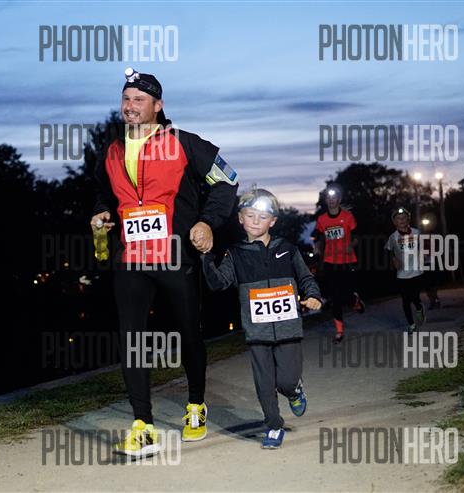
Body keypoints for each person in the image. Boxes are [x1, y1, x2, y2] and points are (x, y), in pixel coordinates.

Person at [91, 68, 238, 457]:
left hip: (175, 255)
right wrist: (101, 211)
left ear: (158, 105)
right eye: (126, 99)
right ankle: (143, 424)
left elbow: (227, 181)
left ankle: (196, 405)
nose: (130, 106)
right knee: (131, 339)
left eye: (139, 100)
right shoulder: (112, 150)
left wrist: (207, 222)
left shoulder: (184, 143)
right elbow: (102, 191)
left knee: (189, 333)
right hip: (130, 257)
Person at [201, 188, 322, 449]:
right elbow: (218, 283)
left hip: (288, 329)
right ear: (240, 218)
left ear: (273, 221)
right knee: (264, 383)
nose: (256, 221)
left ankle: (294, 390)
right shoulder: (235, 254)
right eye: (250, 215)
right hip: (257, 332)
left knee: (286, 380)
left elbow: (305, 278)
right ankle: (274, 425)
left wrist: (313, 295)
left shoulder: (287, 249)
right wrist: (205, 257)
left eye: (263, 216)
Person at [313, 184, 365, 343]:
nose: (331, 200)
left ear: (339, 199)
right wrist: (317, 246)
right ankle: (339, 331)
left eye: (334, 198)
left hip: (347, 260)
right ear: (326, 200)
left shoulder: (348, 217)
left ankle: (355, 301)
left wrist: (352, 245)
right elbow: (318, 236)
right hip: (330, 261)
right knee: (335, 296)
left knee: (346, 294)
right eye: (328, 198)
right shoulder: (322, 219)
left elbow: (357, 236)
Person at [385, 207, 426, 333]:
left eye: (404, 218)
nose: (401, 220)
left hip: (416, 271)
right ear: (394, 222)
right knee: (405, 299)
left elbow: (424, 247)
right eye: (398, 219)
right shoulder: (393, 237)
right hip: (402, 273)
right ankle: (411, 324)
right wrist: (393, 259)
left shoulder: (417, 233)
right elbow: (388, 251)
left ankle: (419, 308)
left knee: (415, 296)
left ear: (408, 219)